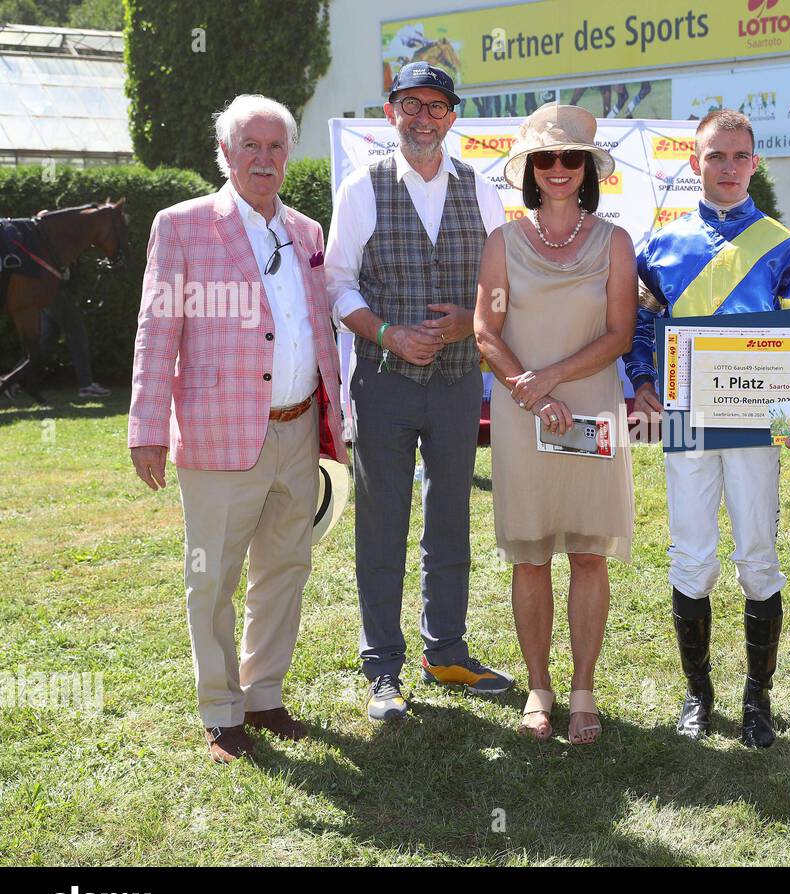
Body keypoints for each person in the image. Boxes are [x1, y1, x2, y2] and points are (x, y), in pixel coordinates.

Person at [128, 94, 348, 763]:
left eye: (276, 146)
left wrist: (335, 414)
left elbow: (318, 329)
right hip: (220, 434)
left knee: (286, 567)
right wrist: (146, 425)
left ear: (289, 156)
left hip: (298, 429)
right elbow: (156, 329)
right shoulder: (183, 225)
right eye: (249, 145)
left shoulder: (308, 232)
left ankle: (264, 695)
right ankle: (221, 711)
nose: (264, 158)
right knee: (212, 576)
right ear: (224, 153)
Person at [325, 62, 513, 722]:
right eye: (411, 104)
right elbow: (337, 285)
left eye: (436, 105)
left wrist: (472, 320)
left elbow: (501, 285)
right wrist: (385, 334)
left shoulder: (480, 189)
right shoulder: (361, 187)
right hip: (385, 381)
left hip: (461, 381)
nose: (424, 116)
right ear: (390, 114)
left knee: (450, 514)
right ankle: (383, 669)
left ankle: (447, 651)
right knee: (382, 523)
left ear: (452, 117)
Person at [624, 109, 790, 748]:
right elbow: (642, 328)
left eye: (740, 156)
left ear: (754, 163)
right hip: (684, 417)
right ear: (695, 163)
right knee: (691, 554)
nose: (728, 168)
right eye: (716, 156)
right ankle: (698, 693)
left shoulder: (783, 246)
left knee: (758, 555)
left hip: (758, 427)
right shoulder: (662, 243)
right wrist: (644, 383)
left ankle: (757, 698)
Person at [474, 104, 637, 744]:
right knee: (531, 555)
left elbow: (621, 334)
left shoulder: (614, 242)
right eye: (547, 158)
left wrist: (553, 379)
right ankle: (538, 688)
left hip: (592, 409)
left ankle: (583, 692)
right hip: (522, 414)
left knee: (589, 554)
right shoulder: (502, 244)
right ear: (530, 170)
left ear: (589, 167)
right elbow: (486, 329)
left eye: (572, 158)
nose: (560, 169)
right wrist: (531, 390)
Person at [39, 268, 110, 398]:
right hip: (57, 290)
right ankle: (86, 385)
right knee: (77, 337)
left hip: (48, 290)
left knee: (46, 341)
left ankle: (14, 380)